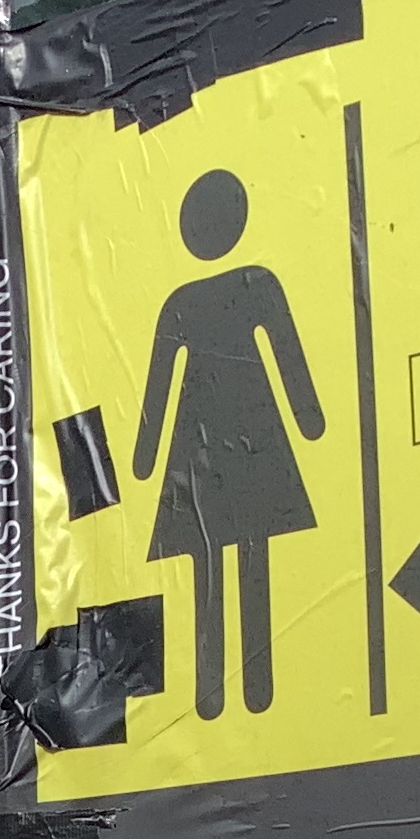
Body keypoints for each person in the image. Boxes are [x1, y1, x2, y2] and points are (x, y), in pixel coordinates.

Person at [131, 167, 323, 721]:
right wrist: (308, 418)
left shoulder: (195, 298)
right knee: (241, 554)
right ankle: (245, 686)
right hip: (242, 432)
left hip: (211, 436)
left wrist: (146, 457)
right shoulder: (252, 284)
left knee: (211, 555)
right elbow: (285, 358)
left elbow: (159, 390)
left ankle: (224, 689)